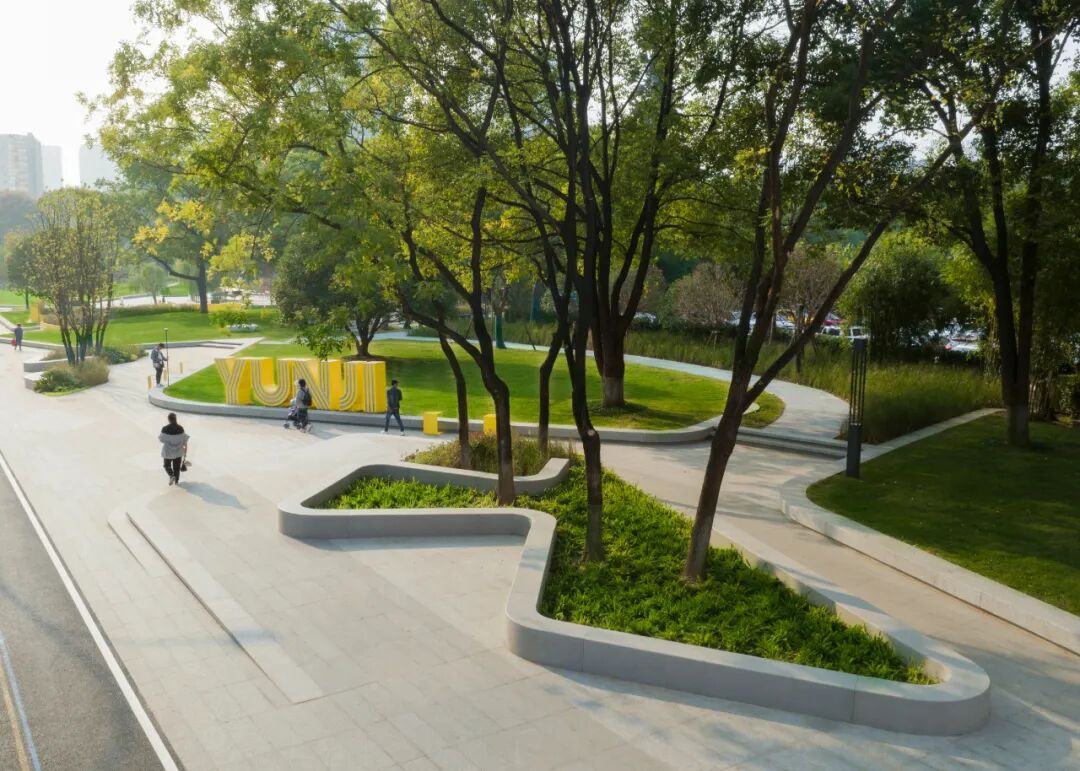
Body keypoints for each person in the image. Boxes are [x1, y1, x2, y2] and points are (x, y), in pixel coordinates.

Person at [159, 413, 189, 486]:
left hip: (168, 452)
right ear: (175, 419)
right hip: (178, 452)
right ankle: (176, 482)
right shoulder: (180, 428)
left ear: (169, 419)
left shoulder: (165, 429)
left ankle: (171, 475)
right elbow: (184, 440)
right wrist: (185, 452)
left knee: (166, 465)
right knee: (177, 468)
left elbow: (161, 439)